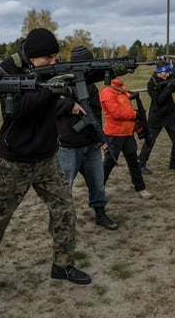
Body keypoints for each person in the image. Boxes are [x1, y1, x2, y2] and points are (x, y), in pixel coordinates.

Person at [0, 28, 91, 303]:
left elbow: (57, 101)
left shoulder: (51, 69)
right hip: (15, 161)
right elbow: (19, 109)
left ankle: (63, 264)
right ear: (33, 56)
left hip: (47, 156)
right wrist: (53, 88)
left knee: (64, 209)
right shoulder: (6, 70)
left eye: (55, 57)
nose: (53, 62)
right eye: (48, 58)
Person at [55, 45, 118, 230]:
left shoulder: (90, 87)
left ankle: (100, 213)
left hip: (90, 145)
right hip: (67, 146)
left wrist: (101, 138)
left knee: (98, 183)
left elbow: (96, 114)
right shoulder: (59, 82)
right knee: (63, 188)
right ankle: (59, 221)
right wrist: (70, 105)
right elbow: (49, 106)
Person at [100, 73, 153, 200]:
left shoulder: (120, 89)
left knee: (133, 161)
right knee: (108, 163)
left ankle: (140, 187)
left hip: (127, 132)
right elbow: (116, 112)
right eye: (122, 75)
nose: (124, 77)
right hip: (114, 134)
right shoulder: (107, 91)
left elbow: (125, 101)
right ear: (115, 76)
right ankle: (98, 190)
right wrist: (134, 115)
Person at [138, 61, 175, 174]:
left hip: (170, 115)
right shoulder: (151, 84)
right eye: (165, 72)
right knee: (150, 141)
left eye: (168, 72)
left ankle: (174, 162)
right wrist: (170, 87)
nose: (168, 75)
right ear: (158, 72)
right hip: (157, 116)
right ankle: (141, 164)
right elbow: (158, 100)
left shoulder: (170, 77)